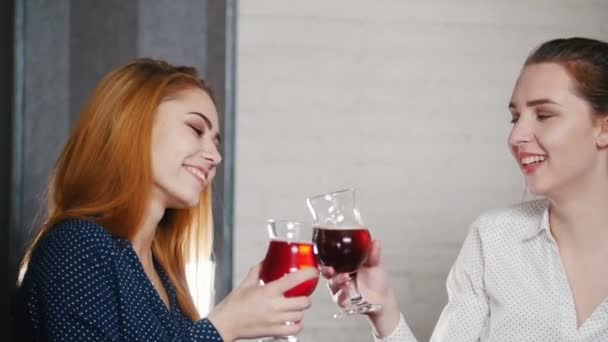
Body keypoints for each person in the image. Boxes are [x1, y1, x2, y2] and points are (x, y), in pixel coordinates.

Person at [324, 37, 608, 341]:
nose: (516, 136)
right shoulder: (494, 239)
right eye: (515, 118)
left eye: (544, 115)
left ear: (603, 128)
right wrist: (384, 312)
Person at [16, 58, 318, 341]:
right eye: (196, 129)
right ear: (134, 125)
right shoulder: (78, 245)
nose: (215, 156)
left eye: (215, 142)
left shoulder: (162, 272)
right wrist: (223, 327)